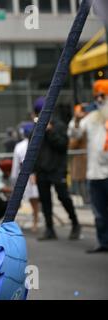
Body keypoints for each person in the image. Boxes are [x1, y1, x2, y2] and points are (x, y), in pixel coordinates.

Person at [33, 97, 81, 241]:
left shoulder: (59, 125)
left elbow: (62, 145)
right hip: (42, 170)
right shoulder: (36, 127)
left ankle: (75, 223)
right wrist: (33, 171)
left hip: (57, 169)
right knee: (45, 200)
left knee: (63, 196)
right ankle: (49, 229)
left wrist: (50, 131)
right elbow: (33, 151)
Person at [68, 79, 108, 253]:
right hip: (95, 173)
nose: (99, 99)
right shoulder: (91, 118)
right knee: (99, 213)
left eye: (103, 95)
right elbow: (75, 133)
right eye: (97, 96)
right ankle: (103, 242)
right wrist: (76, 120)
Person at [11, 121, 40, 232]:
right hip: (29, 174)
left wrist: (14, 178)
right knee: (32, 199)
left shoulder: (21, 145)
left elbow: (15, 166)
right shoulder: (22, 145)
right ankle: (34, 220)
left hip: (31, 174)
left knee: (33, 198)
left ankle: (35, 220)